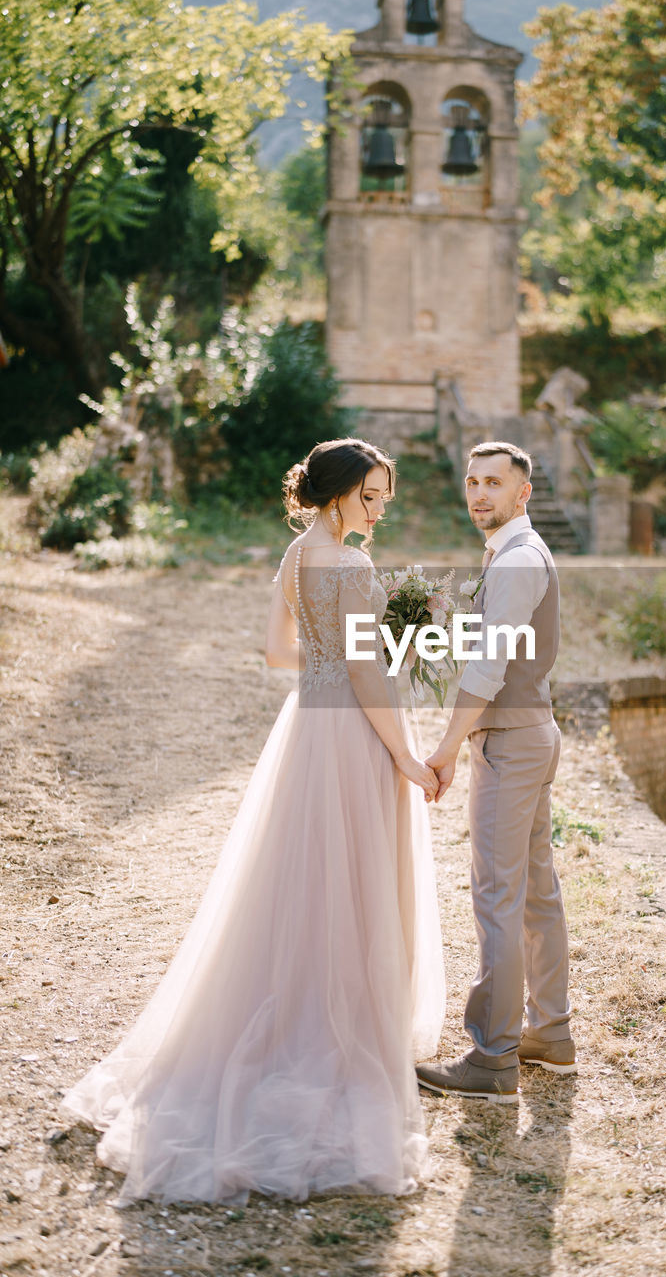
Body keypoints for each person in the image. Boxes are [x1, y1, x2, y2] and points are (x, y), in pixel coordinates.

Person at [61, 437, 446, 1203]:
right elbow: (368, 672)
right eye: (370, 497)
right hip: (352, 733)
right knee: (350, 875)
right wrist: (405, 752)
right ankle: (330, 1030)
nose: (377, 510)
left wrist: (338, 657)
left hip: (307, 724)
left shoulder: (297, 558)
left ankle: (289, 1007)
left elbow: (278, 652)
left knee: (294, 876)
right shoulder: (353, 565)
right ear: (337, 493)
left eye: (383, 500)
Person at [417, 441, 574, 1104]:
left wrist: (449, 745)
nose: (479, 493)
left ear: (522, 493)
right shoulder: (513, 556)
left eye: (494, 482)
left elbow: (487, 668)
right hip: (529, 734)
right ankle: (551, 1035)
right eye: (472, 481)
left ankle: (491, 1059)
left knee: (497, 898)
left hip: (510, 742)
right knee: (534, 890)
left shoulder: (516, 558)